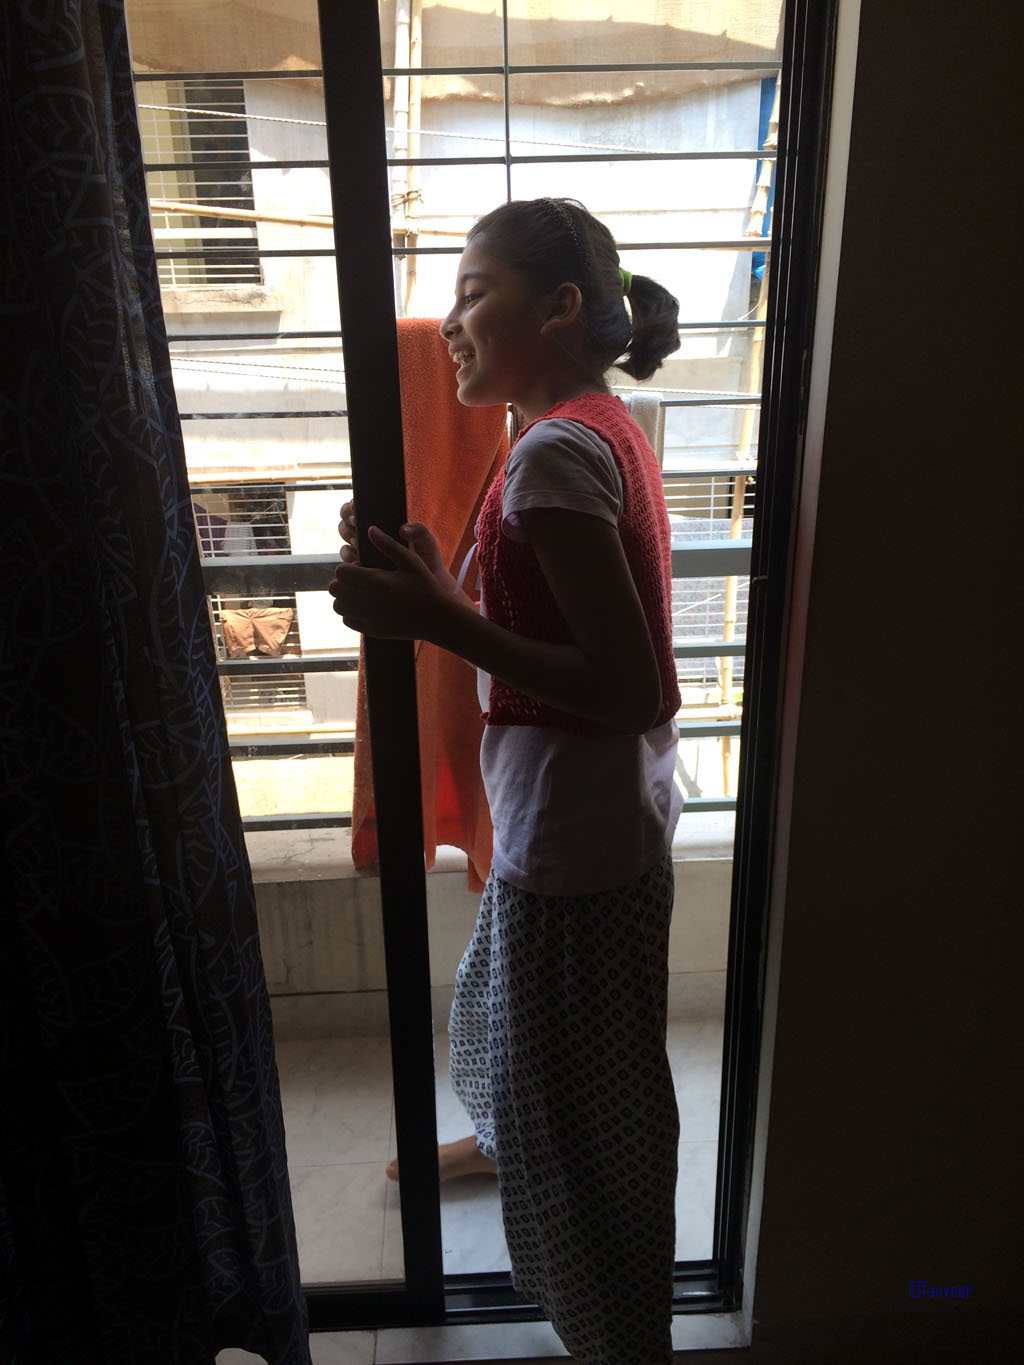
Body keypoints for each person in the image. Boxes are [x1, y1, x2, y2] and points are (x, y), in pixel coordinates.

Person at [329, 197, 683, 1365]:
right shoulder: (587, 426)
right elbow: (560, 621)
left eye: (473, 293)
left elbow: (626, 686)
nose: (446, 323)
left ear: (560, 307)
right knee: (510, 1020)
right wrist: (444, 590)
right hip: (596, 813)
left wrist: (437, 621)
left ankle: (614, 1331)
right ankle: (506, 1141)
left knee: (584, 1116)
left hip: (576, 834)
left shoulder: (548, 458)